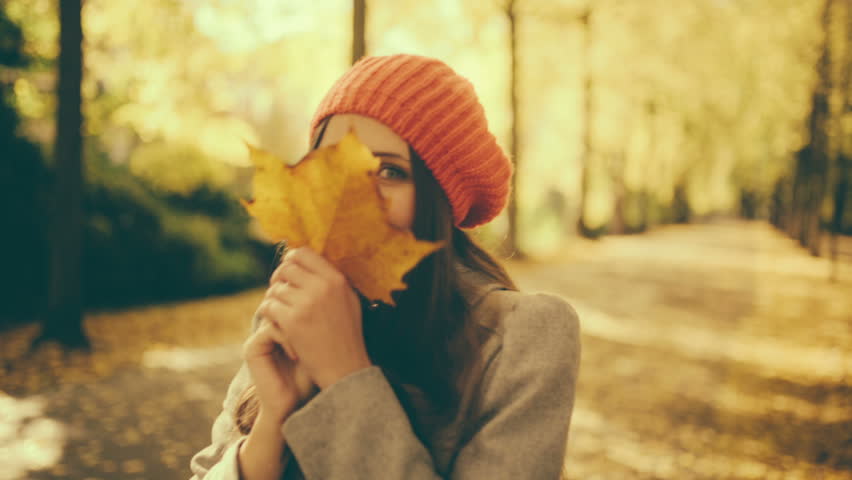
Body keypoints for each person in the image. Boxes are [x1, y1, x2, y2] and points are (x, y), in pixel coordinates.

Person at [189, 53, 581, 480]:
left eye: (389, 171)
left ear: (438, 202)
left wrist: (344, 374)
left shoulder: (523, 338)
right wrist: (271, 424)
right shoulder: (291, 310)